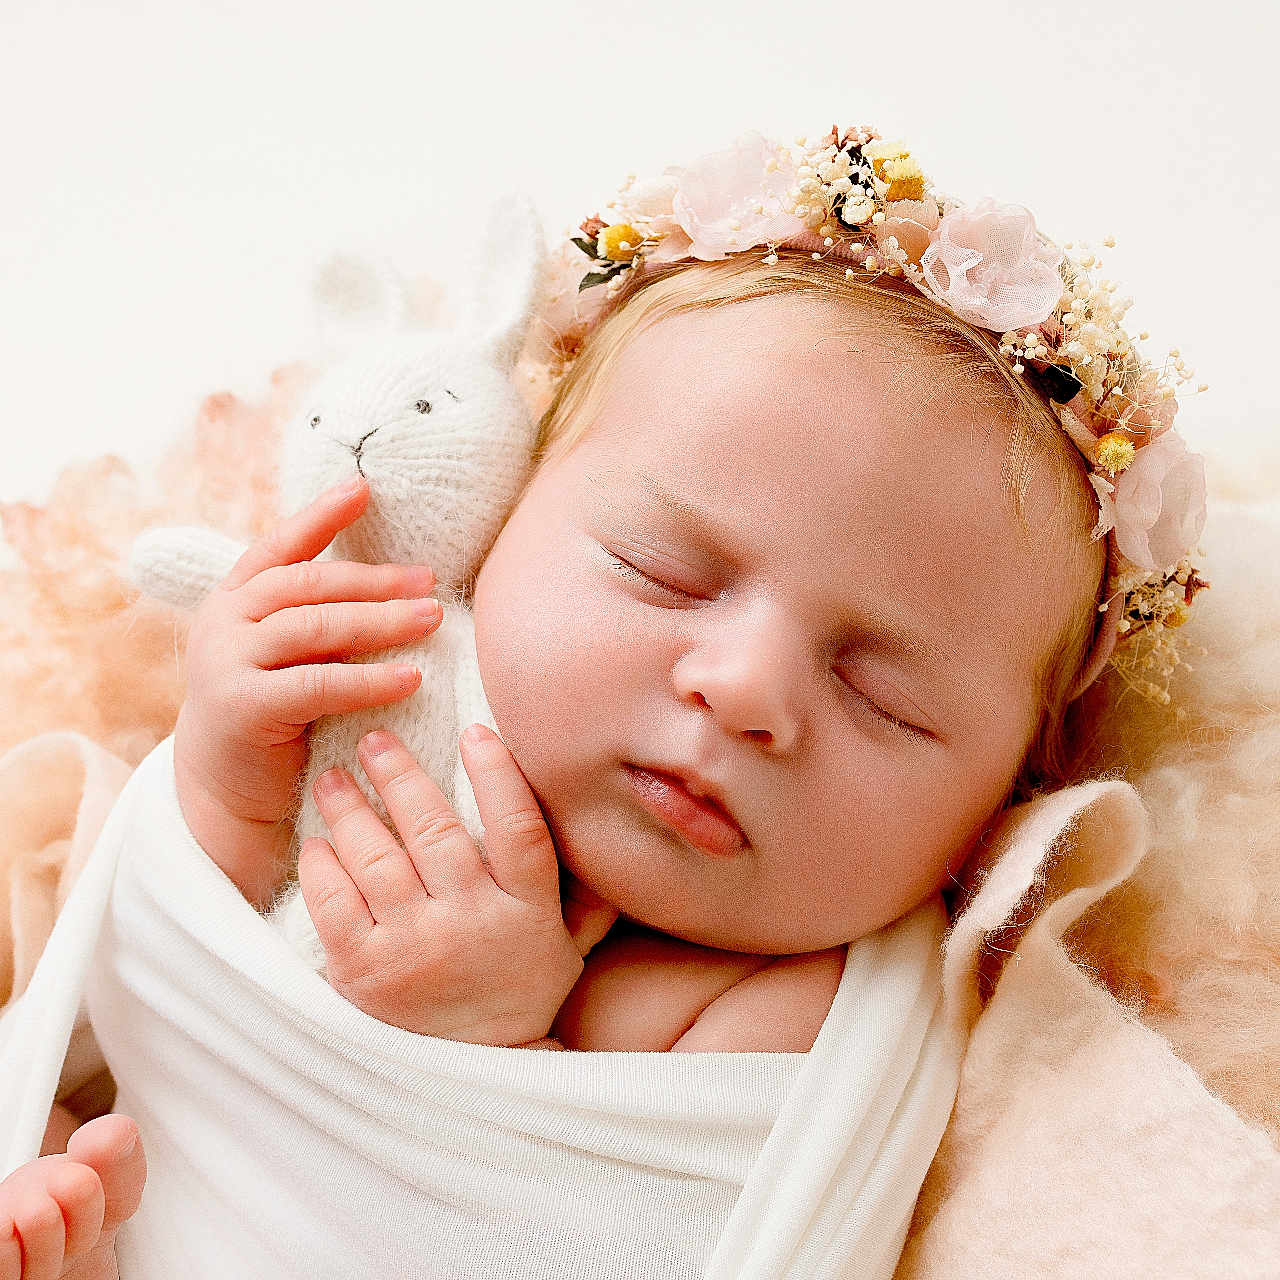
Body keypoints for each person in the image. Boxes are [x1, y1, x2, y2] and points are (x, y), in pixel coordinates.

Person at [0, 125, 1208, 1277]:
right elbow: (160, 973)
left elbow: (607, 1238)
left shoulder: (789, 1009)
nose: (742, 688)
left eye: (883, 693)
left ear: (1008, 795)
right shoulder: (390, 697)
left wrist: (482, 1041)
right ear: (504, 519)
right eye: (661, 571)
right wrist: (221, 782)